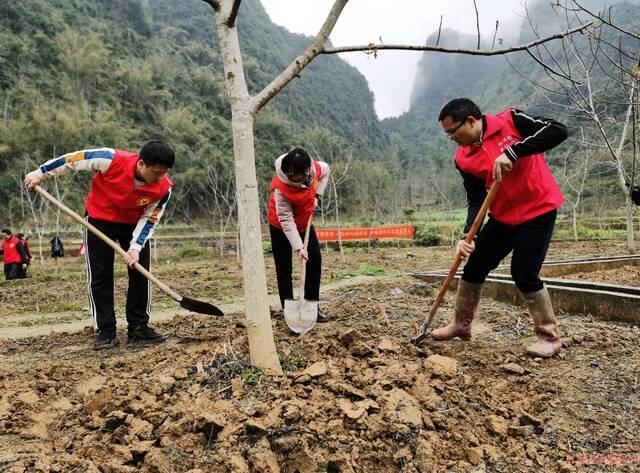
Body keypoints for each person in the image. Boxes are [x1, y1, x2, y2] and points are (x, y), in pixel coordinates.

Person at [432, 98, 568, 357]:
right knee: (474, 266)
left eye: (452, 131)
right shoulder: (463, 158)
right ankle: (461, 325)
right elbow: (475, 198)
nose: (450, 137)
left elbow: (557, 130)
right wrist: (467, 236)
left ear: (471, 121)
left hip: (537, 211)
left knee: (524, 271)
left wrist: (514, 151)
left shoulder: (511, 121)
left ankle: (549, 337)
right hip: (503, 218)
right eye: (446, 133)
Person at [24, 141, 174, 350]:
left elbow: (150, 219)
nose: (160, 177)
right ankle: (106, 330)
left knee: (140, 272)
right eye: (156, 173)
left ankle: (138, 326)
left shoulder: (164, 188)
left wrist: (135, 248)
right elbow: (72, 160)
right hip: (99, 219)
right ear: (141, 164)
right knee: (100, 274)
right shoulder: (110, 159)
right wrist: (41, 173)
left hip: (133, 223)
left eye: (164, 173)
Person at [267, 147, 331, 325]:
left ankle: (312, 306)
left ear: (307, 170)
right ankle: (289, 310)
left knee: (315, 260)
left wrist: (318, 194)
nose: (299, 180)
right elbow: (286, 221)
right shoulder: (281, 189)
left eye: (302, 176)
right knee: (284, 267)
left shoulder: (314, 169)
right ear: (289, 172)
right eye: (294, 177)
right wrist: (299, 247)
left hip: (304, 223)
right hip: (280, 226)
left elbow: (327, 170)